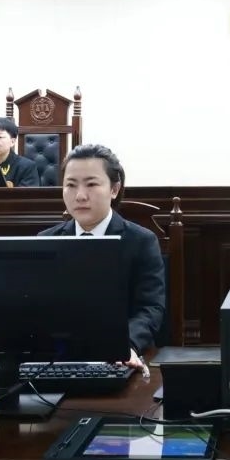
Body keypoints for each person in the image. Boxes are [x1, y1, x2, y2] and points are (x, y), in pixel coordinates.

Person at [38, 144, 166, 367]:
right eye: (70, 185)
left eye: (91, 184)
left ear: (114, 189)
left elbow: (150, 308)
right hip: (57, 358)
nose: (80, 196)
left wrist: (126, 345)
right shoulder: (46, 240)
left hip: (120, 357)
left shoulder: (141, 241)